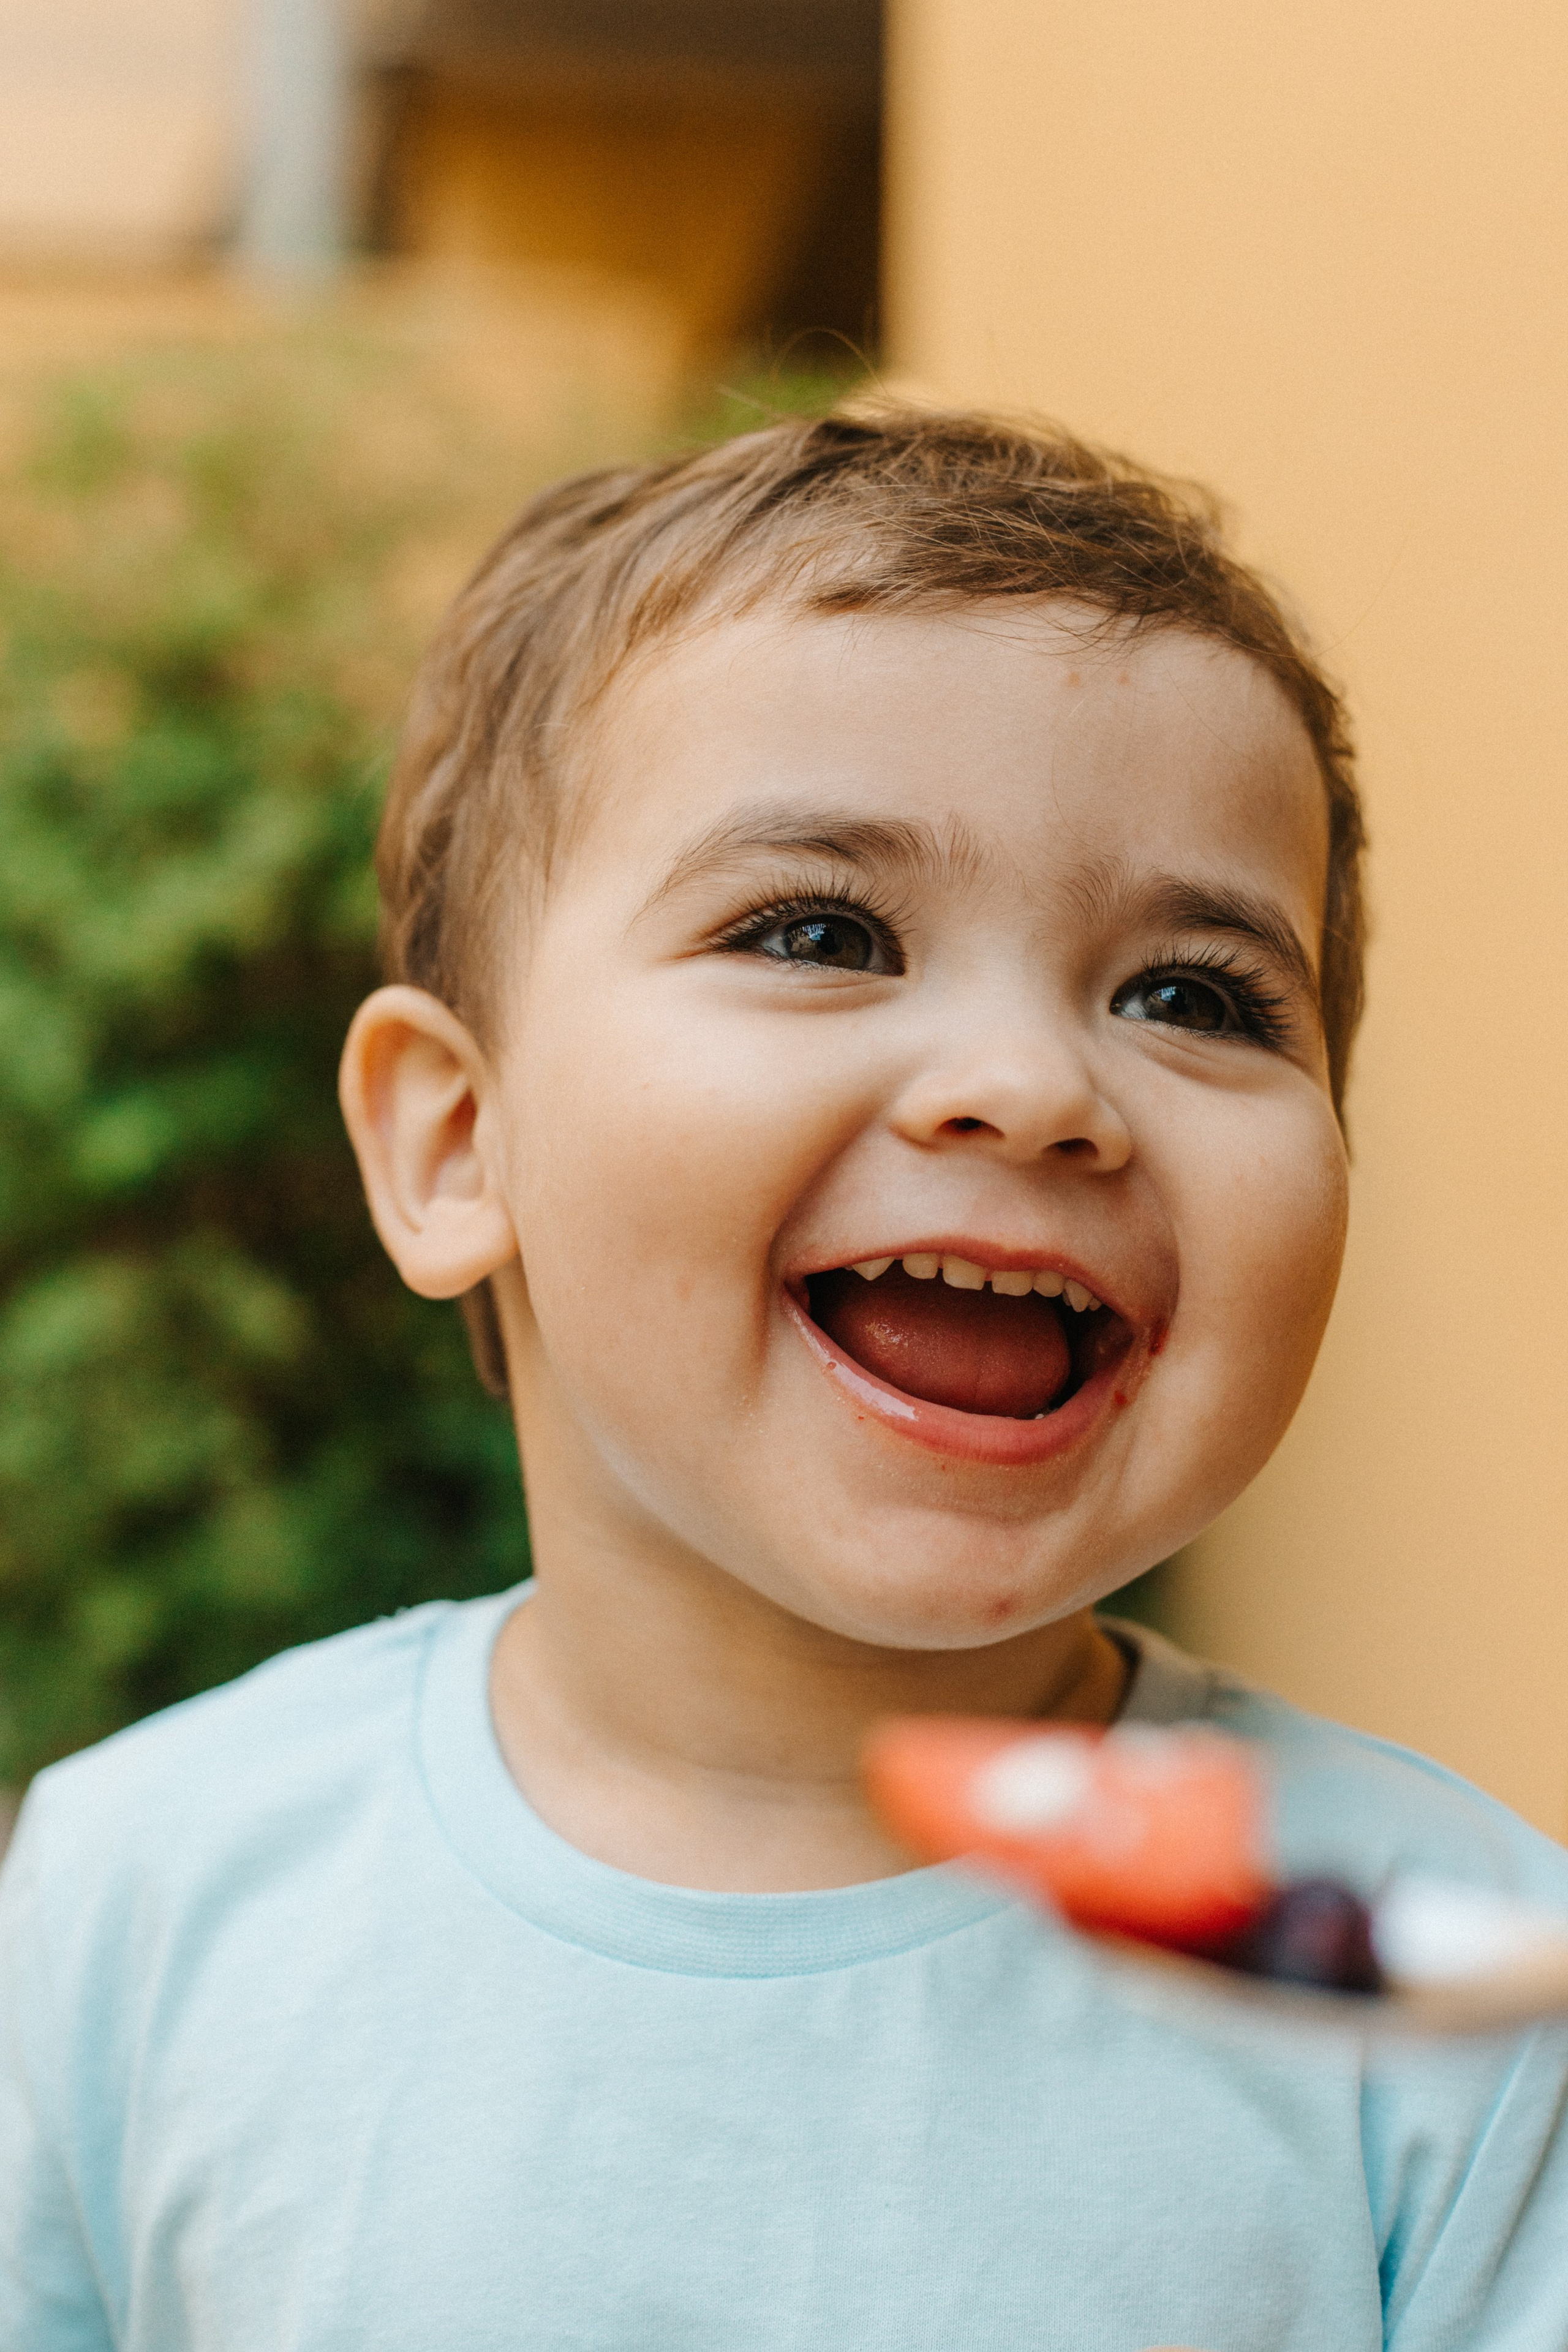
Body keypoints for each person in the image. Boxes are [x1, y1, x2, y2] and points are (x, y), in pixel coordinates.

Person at [3, 411, 1566, 2352]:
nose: (1033, 1085)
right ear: (457, 1144)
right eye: (822, 932)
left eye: (1194, 993)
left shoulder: (1451, 1975)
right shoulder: (149, 1894)